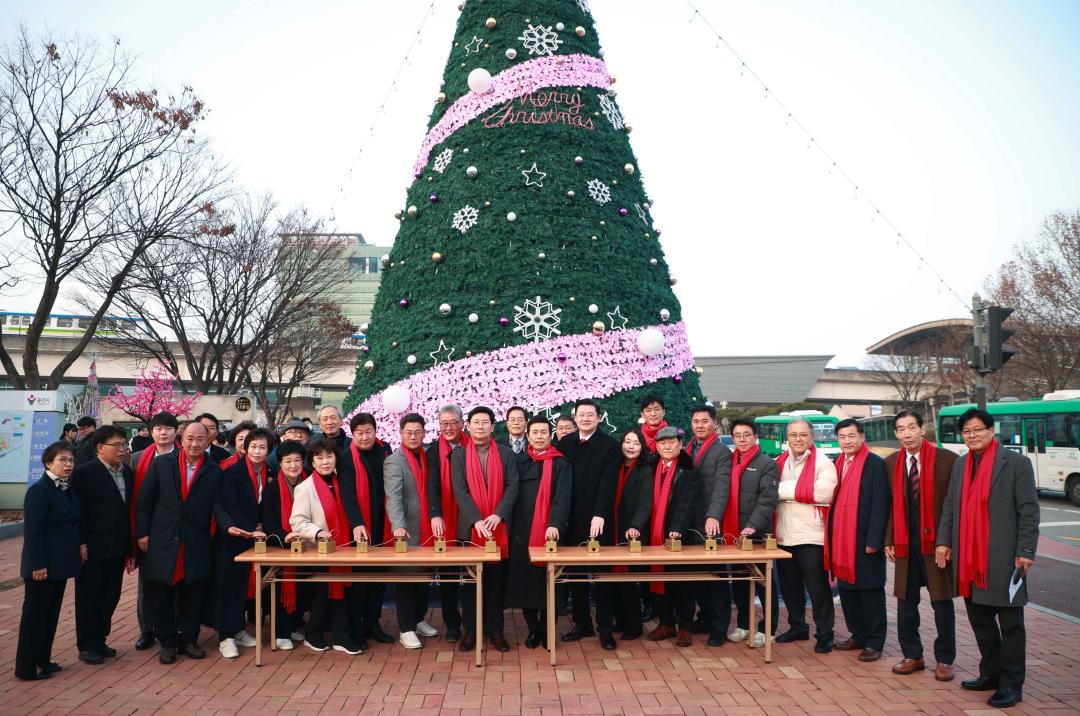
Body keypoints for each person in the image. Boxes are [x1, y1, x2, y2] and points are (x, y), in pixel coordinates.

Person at [936, 408, 1039, 708]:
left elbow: (1029, 510)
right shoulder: (961, 464)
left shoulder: (1016, 463)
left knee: (1011, 625)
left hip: (1004, 558)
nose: (972, 435)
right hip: (969, 560)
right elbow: (950, 506)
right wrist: (944, 540)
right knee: (980, 620)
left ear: (992, 430)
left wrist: (1026, 550)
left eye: (978, 429)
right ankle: (990, 673)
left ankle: (1011, 684)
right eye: (967, 431)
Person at [136, 420, 226, 664]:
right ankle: (166, 642)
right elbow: (145, 502)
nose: (194, 444)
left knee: (194, 592)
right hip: (163, 539)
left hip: (196, 541)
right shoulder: (161, 464)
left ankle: (189, 639)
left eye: (200, 439)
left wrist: (232, 527)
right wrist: (142, 534)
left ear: (208, 441)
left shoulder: (214, 470)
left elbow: (218, 506)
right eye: (189, 438)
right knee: (162, 593)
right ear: (181, 438)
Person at [884, 410, 958, 681]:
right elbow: (889, 505)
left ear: (922, 429)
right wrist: (889, 538)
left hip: (935, 544)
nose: (906, 434)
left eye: (911, 428)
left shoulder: (947, 460)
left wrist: (945, 540)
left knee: (941, 602)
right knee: (905, 602)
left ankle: (945, 659)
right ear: (896, 433)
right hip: (904, 543)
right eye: (901, 429)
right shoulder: (891, 462)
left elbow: (953, 506)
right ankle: (912, 655)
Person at [451, 406, 520, 652]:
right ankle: (470, 630)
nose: (480, 426)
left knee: (496, 584)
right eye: (476, 422)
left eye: (485, 422)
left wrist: (498, 515)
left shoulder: (505, 453)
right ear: (468, 426)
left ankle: (496, 631)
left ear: (492, 426)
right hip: (472, 530)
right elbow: (460, 490)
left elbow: (513, 486)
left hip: (498, 527)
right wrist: (476, 520)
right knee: (471, 584)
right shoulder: (458, 456)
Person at [15, 442, 83, 681]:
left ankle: (43, 659)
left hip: (60, 564)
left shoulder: (66, 488)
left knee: (50, 614)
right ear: (48, 463)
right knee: (34, 616)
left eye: (71, 460)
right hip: (41, 566)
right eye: (62, 460)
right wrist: (38, 565)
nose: (68, 465)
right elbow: (33, 532)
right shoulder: (39, 490)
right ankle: (25, 667)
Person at [290, 437, 365, 655]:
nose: (325, 462)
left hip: (346, 548)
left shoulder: (343, 481)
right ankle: (321, 635)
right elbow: (297, 521)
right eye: (319, 458)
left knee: (346, 592)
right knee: (326, 592)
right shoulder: (305, 487)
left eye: (329, 456)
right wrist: (317, 532)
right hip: (321, 550)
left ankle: (339, 634)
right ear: (311, 462)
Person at [557, 399, 621, 649]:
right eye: (581, 415)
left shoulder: (609, 446)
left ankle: (605, 628)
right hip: (571, 519)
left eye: (590, 415)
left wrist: (600, 514)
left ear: (599, 417)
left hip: (598, 520)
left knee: (602, 576)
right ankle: (582, 624)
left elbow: (608, 484)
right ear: (574, 417)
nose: (585, 418)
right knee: (576, 575)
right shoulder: (565, 443)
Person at [506, 416, 572, 648]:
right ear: (528, 435)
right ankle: (533, 629)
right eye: (535, 432)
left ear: (550, 435)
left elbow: (562, 499)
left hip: (550, 533)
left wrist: (554, 523)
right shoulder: (518, 461)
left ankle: (547, 629)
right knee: (525, 585)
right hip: (522, 533)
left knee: (549, 584)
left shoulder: (561, 464)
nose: (539, 436)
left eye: (544, 432)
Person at [774, 418, 838, 653]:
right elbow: (769, 491)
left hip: (812, 536)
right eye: (793, 435)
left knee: (818, 589)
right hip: (784, 535)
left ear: (812, 437)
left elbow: (823, 493)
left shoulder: (823, 462)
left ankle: (825, 634)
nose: (798, 439)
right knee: (789, 588)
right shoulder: (779, 461)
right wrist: (800, 491)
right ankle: (798, 627)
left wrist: (784, 491)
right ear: (787, 437)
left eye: (803, 435)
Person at [829, 419, 890, 662]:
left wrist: (875, 539)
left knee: (870, 591)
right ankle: (858, 634)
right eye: (842, 437)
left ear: (861, 437)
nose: (847, 441)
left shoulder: (874, 463)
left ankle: (875, 642)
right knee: (847, 590)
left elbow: (880, 503)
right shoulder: (839, 462)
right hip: (842, 539)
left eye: (851, 436)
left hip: (865, 538)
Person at [72, 426, 133, 665]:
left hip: (117, 546)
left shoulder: (127, 472)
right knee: (89, 596)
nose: (121, 449)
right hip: (93, 547)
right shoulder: (85, 474)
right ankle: (87, 644)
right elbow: (78, 513)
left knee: (111, 594)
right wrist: (81, 542)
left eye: (123, 444)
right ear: (100, 448)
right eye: (116, 445)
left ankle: (100, 639)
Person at [212, 427, 274, 658]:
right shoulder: (232, 472)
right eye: (254, 446)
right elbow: (230, 505)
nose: (258, 451)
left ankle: (237, 629)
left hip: (254, 535)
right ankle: (224, 637)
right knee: (227, 586)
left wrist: (262, 525)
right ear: (245, 448)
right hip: (233, 536)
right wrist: (250, 528)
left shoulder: (269, 471)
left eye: (263, 447)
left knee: (241, 587)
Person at [384, 413, 440, 649]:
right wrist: (398, 524)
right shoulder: (394, 461)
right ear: (401, 434)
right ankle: (406, 628)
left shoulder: (426, 457)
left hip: (426, 529)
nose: (414, 436)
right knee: (407, 580)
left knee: (423, 578)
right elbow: (393, 496)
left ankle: (418, 619)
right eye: (409, 433)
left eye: (418, 432)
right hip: (405, 531)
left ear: (425, 433)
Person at [338, 412, 394, 646]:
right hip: (360, 527)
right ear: (353, 434)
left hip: (384, 524)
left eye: (368, 432)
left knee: (379, 577)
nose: (364, 437)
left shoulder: (385, 450)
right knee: (360, 579)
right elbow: (347, 494)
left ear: (375, 430)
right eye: (359, 433)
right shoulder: (346, 457)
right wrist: (357, 523)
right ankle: (356, 626)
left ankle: (373, 622)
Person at [723, 419, 780, 647]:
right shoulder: (730, 461)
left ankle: (769, 628)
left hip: (757, 533)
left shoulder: (766, 464)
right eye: (737, 436)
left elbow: (768, 499)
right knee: (739, 581)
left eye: (747, 435)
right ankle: (744, 625)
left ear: (755, 436)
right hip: (735, 534)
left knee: (765, 582)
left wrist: (753, 525)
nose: (742, 439)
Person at [128, 411, 180, 651]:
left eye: (168, 428)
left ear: (175, 431)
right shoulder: (138, 458)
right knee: (147, 583)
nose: (163, 432)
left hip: (177, 532)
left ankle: (171, 628)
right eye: (158, 428)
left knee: (175, 583)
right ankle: (146, 629)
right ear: (150, 431)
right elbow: (139, 500)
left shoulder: (183, 456)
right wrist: (141, 532)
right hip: (148, 530)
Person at [645, 426, 700, 647]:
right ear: (657, 447)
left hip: (679, 536)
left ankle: (685, 626)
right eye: (663, 443)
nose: (667, 447)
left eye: (671, 443)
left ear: (680, 444)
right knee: (660, 580)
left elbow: (688, 503)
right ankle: (666, 623)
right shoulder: (651, 468)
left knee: (682, 582)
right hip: (654, 534)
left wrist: (677, 528)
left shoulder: (688, 469)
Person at [687, 404, 734, 646]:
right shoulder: (689, 447)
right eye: (696, 421)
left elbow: (721, 487)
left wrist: (714, 515)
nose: (699, 425)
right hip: (691, 522)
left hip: (709, 524)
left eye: (704, 421)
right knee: (697, 576)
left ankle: (719, 626)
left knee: (715, 577)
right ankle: (705, 617)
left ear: (714, 424)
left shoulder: (721, 451)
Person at [425, 404, 469, 643]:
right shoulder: (433, 452)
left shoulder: (474, 444)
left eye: (453, 422)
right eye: (444, 424)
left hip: (472, 517)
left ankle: (473, 621)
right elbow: (431, 485)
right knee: (449, 574)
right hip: (446, 518)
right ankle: (452, 624)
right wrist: (435, 513)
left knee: (475, 571)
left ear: (462, 424)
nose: (449, 428)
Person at [260, 440, 309, 649]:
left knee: (305, 588)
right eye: (287, 461)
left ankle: (292, 626)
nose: (293, 465)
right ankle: (281, 633)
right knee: (282, 586)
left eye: (297, 460)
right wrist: (285, 536)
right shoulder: (273, 489)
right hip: (283, 545)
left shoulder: (310, 483)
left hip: (308, 544)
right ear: (279, 463)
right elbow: (268, 521)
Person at [611, 428, 654, 641]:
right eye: (627, 442)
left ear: (642, 447)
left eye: (636, 443)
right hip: (613, 530)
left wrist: (636, 525)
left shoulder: (645, 470)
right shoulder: (615, 466)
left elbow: (646, 503)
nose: (630, 446)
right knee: (613, 579)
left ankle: (634, 625)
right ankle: (620, 620)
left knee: (628, 580)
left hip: (632, 532)